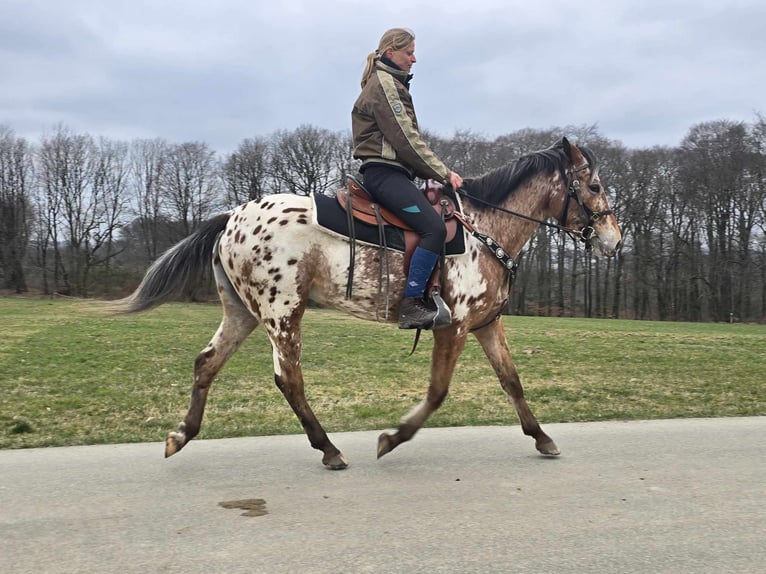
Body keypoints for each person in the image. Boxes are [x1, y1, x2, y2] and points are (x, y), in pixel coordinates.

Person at [351, 27, 464, 330]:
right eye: (409, 52)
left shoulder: (390, 83)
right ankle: (412, 303)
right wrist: (444, 172)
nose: (415, 59)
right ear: (390, 52)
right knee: (433, 229)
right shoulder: (385, 84)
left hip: (394, 174)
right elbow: (406, 139)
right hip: (384, 175)